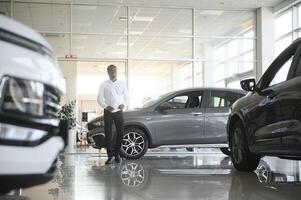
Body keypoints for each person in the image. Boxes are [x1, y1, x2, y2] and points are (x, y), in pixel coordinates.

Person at [97, 65, 128, 164]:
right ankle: (110, 156)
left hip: (119, 111)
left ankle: (117, 154)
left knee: (121, 132)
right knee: (108, 133)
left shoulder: (122, 83)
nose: (113, 71)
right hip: (108, 111)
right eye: (111, 70)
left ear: (117, 71)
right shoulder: (104, 84)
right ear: (108, 72)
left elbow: (127, 97)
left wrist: (124, 104)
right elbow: (99, 99)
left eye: (114, 70)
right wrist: (106, 106)